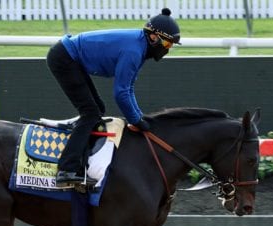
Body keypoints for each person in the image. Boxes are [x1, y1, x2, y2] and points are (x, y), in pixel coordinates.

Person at [46, 8, 181, 187]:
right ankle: (66, 169)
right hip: (64, 58)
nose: (168, 50)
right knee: (91, 114)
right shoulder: (134, 51)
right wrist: (137, 120)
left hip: (69, 57)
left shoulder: (139, 46)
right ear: (154, 37)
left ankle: (80, 158)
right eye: (167, 44)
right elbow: (120, 93)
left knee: (97, 109)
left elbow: (128, 88)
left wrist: (138, 117)